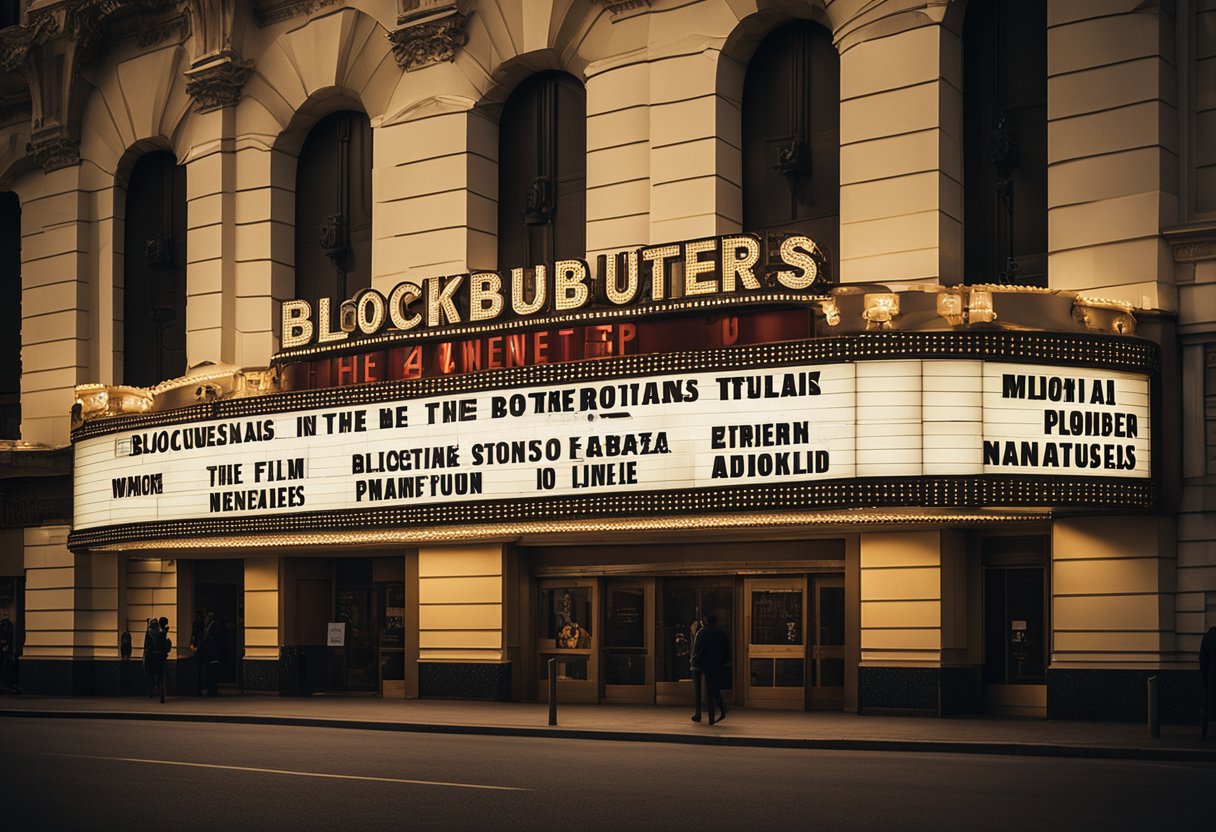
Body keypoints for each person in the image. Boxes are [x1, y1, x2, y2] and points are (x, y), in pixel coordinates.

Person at [692, 612, 730, 725]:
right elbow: (726, 650)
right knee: (712, 688)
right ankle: (713, 716)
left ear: (706, 621)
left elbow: (697, 649)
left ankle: (699, 714)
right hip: (716, 664)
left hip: (703, 664)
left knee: (699, 690)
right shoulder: (721, 633)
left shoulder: (702, 633)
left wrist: (695, 662)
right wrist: (722, 662)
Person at [143, 617, 171, 703]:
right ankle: (159, 690)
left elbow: (146, 646)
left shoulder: (149, 633)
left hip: (150, 657)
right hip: (159, 657)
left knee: (151, 676)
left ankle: (152, 691)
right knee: (160, 675)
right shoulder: (161, 633)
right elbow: (164, 645)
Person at [202, 610, 224, 697]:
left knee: (212, 673)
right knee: (211, 673)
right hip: (211, 653)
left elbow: (213, 639)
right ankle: (212, 690)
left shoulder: (214, 626)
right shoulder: (210, 626)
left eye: (207, 617)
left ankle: (212, 690)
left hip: (212, 653)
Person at [1201, 625, 1216, 741]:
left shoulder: (1209, 636)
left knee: (1209, 704)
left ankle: (1205, 734)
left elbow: (1203, 660)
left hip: (1212, 678)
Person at [689, 618, 704, 723]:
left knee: (698, 689)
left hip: (699, 665)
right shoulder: (698, 635)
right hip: (703, 664)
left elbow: (696, 652)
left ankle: (698, 712)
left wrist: (693, 662)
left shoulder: (699, 636)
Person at [188, 608, 205, 695]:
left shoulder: (198, 624)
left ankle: (198, 689)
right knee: (200, 671)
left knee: (198, 671)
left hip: (199, 650)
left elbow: (194, 635)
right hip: (200, 650)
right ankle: (198, 689)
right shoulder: (201, 624)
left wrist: (193, 645)